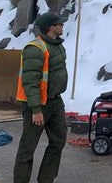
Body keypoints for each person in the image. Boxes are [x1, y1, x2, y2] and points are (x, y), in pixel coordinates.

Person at [14, 12, 68, 183]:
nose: (62, 26)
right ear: (52, 27)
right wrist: (36, 110)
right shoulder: (35, 48)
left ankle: (46, 179)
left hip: (55, 102)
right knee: (27, 149)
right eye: (60, 24)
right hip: (38, 105)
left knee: (58, 140)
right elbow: (30, 83)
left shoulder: (57, 45)